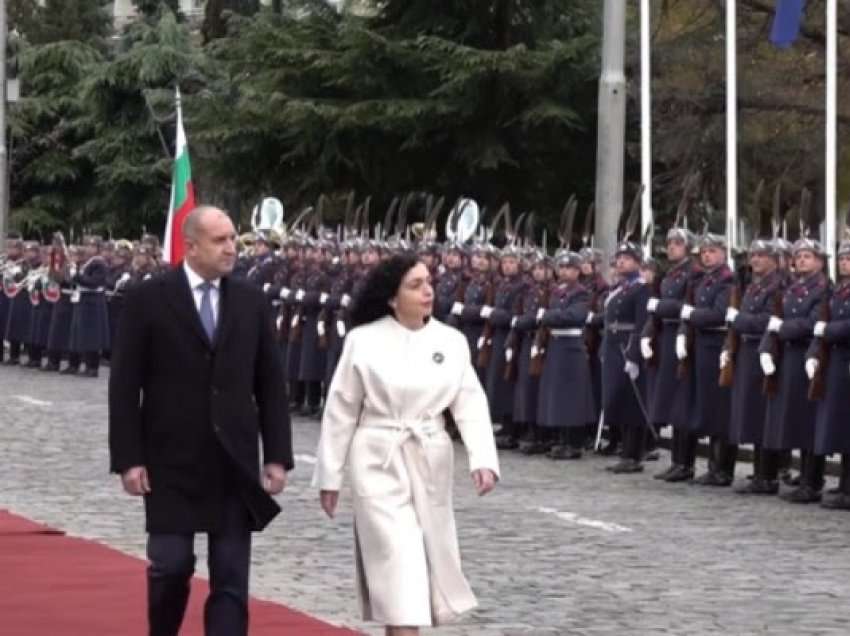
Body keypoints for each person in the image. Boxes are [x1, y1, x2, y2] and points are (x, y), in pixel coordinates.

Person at [108, 205, 293, 636]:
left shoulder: (250, 300)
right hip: (171, 460)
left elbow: (270, 383)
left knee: (230, 578)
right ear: (191, 246)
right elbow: (123, 385)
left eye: (233, 238)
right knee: (170, 566)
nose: (232, 248)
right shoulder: (149, 298)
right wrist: (129, 459)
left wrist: (277, 457)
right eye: (221, 240)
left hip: (234, 461)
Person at [312, 253, 500, 635]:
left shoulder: (451, 341)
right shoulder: (363, 341)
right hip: (378, 461)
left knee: (423, 563)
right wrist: (329, 475)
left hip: (429, 456)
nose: (427, 291)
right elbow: (341, 408)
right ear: (392, 297)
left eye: (428, 282)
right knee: (399, 564)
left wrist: (483, 458)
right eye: (415, 285)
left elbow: (469, 401)